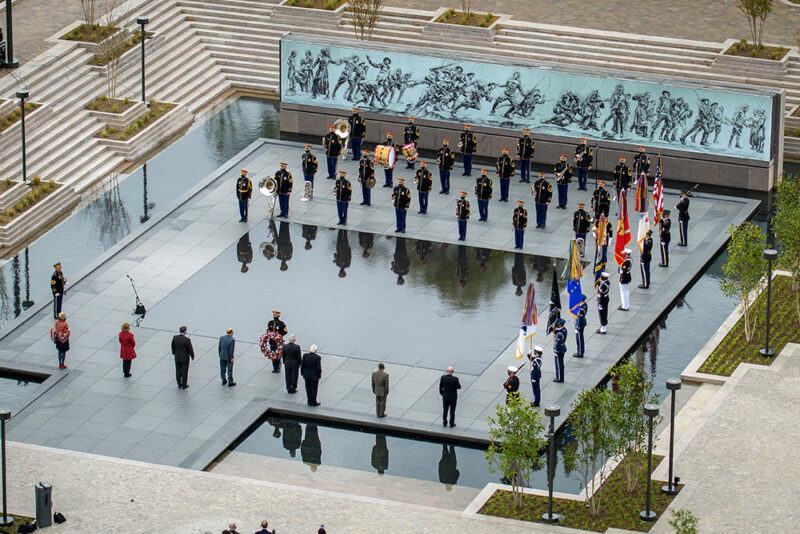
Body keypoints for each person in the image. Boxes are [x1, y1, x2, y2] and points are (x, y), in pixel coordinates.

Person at [553, 317, 567, 382]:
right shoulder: (564, 330)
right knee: (560, 363)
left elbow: (558, 343)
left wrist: (556, 350)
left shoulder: (559, 334)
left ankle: (559, 378)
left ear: (560, 324)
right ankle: (561, 377)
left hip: (559, 350)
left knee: (558, 364)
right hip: (563, 348)